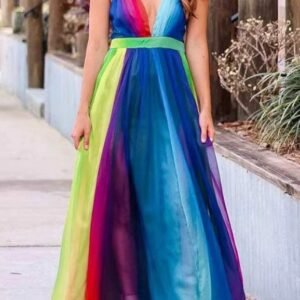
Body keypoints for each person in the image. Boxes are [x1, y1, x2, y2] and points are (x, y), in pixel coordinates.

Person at [52, 0, 246, 299]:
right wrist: (82, 110)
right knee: (116, 198)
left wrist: (206, 107)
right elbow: (96, 44)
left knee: (176, 199)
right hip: (117, 98)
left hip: (173, 99)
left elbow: (195, 44)